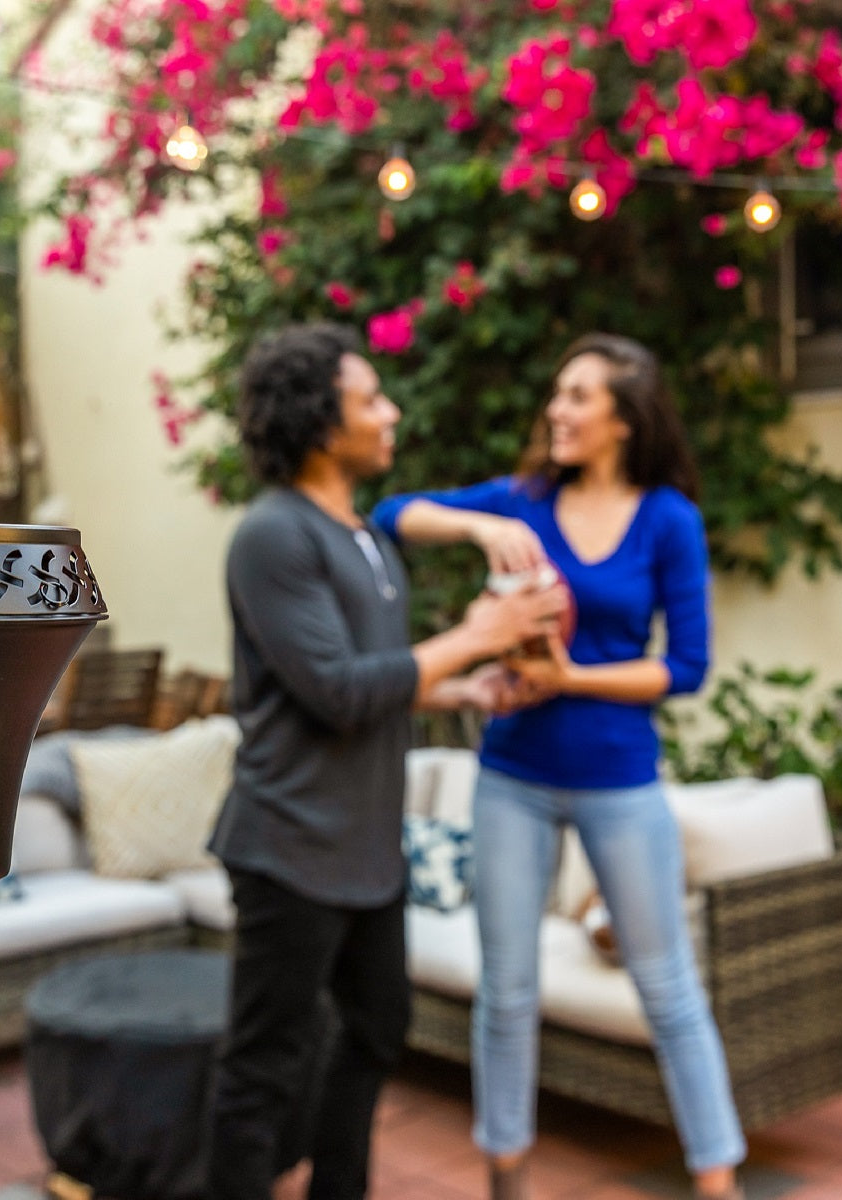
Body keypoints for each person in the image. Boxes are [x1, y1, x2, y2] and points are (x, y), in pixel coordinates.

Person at [371, 332, 746, 1200]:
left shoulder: (668, 520)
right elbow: (395, 514)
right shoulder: (526, 499)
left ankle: (717, 1183)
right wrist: (483, 521)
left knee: (669, 991)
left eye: (579, 396)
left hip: (621, 782)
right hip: (513, 779)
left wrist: (569, 676)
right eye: (558, 393)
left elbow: (684, 668)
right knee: (506, 992)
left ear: (624, 417)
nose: (558, 410)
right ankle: (508, 1177)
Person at [205, 322, 566, 1200]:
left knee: (374, 1032)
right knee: (265, 1067)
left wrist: (463, 689)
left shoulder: (366, 537)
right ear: (323, 423)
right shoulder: (271, 536)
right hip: (289, 846)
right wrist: (476, 635)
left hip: (366, 849)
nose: (391, 412)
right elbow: (334, 691)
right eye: (372, 399)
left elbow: (377, 681)